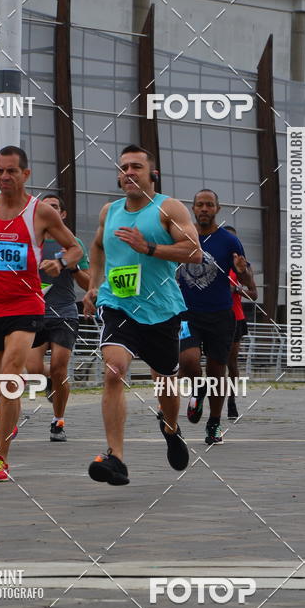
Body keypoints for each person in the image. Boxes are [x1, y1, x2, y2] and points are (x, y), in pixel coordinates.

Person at [0, 145, 83, 481]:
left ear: (25, 174)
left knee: (10, 377)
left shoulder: (41, 213)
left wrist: (61, 262)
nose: (5, 177)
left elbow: (75, 247)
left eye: (11, 171)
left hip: (26, 306)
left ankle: (0, 457)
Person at [82, 144, 202, 485]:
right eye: (123, 168)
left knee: (165, 380)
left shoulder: (168, 208)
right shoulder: (109, 212)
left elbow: (195, 253)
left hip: (161, 309)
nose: (128, 173)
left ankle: (171, 427)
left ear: (153, 174)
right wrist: (93, 285)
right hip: (117, 304)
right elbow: (98, 247)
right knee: (114, 370)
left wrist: (148, 247)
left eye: (136, 166)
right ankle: (116, 458)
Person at [177, 191, 255, 445]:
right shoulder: (181, 236)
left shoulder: (229, 241)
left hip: (221, 315)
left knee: (216, 370)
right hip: (187, 313)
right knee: (188, 362)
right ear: (193, 208)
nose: (204, 209)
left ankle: (214, 423)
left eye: (209, 205)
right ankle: (198, 388)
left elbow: (249, 286)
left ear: (217, 209)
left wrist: (243, 273)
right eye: (199, 204)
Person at [25, 194, 90, 442]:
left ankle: (58, 421)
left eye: (54, 207)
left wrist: (70, 265)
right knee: (33, 368)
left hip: (64, 312)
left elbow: (87, 282)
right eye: (44, 207)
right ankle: (54, 385)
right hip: (34, 313)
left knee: (59, 365)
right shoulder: (32, 242)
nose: (48, 211)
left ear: (62, 214)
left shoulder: (74, 244)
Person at [224, 225, 258, 420]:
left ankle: (231, 400)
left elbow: (254, 294)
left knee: (231, 361)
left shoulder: (243, 266)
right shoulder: (211, 261)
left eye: (233, 241)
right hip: (209, 316)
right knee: (204, 361)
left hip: (235, 317)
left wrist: (237, 290)